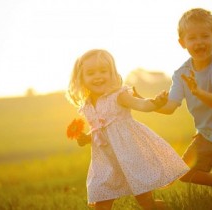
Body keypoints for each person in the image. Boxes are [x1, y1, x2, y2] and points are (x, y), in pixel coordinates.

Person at [145, 8, 212, 200]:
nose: (199, 42)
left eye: (205, 36)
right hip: (206, 134)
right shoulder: (181, 73)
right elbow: (170, 107)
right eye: (192, 38)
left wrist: (197, 91)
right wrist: (151, 103)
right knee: (184, 172)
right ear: (182, 43)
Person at [66, 49, 189, 210]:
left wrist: (154, 102)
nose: (98, 76)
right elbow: (100, 129)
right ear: (81, 78)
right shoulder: (87, 105)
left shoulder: (118, 95)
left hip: (129, 155)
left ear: (112, 73)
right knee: (101, 199)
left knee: (145, 202)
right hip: (105, 160)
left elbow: (140, 104)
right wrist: (87, 138)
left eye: (103, 71)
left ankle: (158, 207)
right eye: (91, 73)